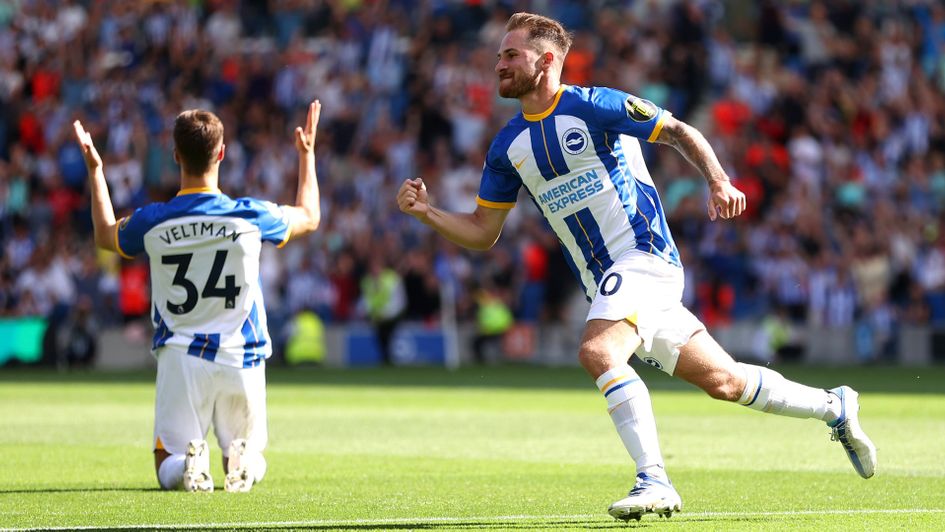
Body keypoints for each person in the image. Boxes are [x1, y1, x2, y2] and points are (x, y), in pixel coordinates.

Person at [397, 12, 876, 521]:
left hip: (644, 257)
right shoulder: (507, 146)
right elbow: (482, 231)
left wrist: (717, 180)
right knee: (725, 381)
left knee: (598, 351)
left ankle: (655, 479)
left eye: (511, 55)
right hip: (610, 282)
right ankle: (835, 406)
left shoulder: (595, 105)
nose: (499, 65)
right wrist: (428, 213)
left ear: (547, 60)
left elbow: (677, 131)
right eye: (498, 56)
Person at [73, 99, 323, 492]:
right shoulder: (251, 216)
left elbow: (105, 235)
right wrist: (306, 156)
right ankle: (244, 463)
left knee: (166, 463)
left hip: (181, 357)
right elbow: (310, 215)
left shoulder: (153, 220)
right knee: (248, 455)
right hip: (242, 355)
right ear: (222, 153)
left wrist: (96, 170)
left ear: (175, 156)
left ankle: (188, 467)